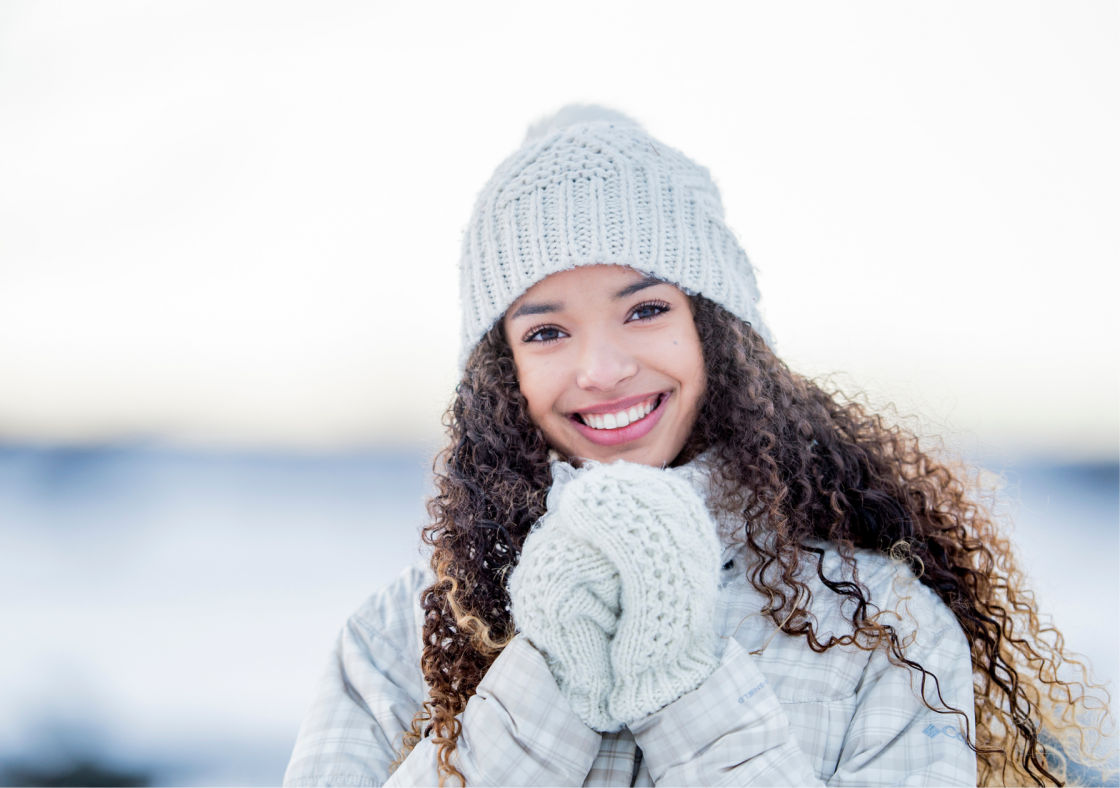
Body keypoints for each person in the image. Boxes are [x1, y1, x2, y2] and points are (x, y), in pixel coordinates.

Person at [282, 106, 1111, 787]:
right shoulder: (398, 636)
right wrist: (546, 670)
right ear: (505, 373)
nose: (601, 369)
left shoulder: (879, 624)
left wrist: (685, 687)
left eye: (645, 311)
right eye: (546, 331)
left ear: (716, 331)